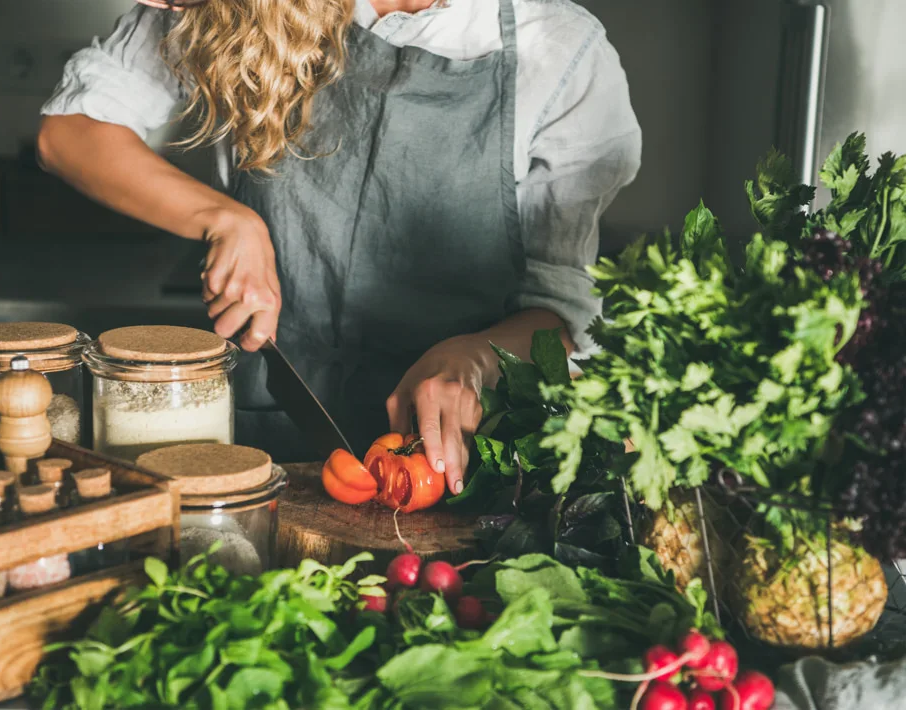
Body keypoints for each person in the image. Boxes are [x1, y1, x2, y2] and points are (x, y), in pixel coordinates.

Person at [37, 0, 641, 492]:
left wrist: (476, 357)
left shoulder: (560, 49)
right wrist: (225, 219)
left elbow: (566, 319)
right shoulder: (245, 8)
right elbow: (71, 131)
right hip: (258, 435)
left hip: (458, 470)